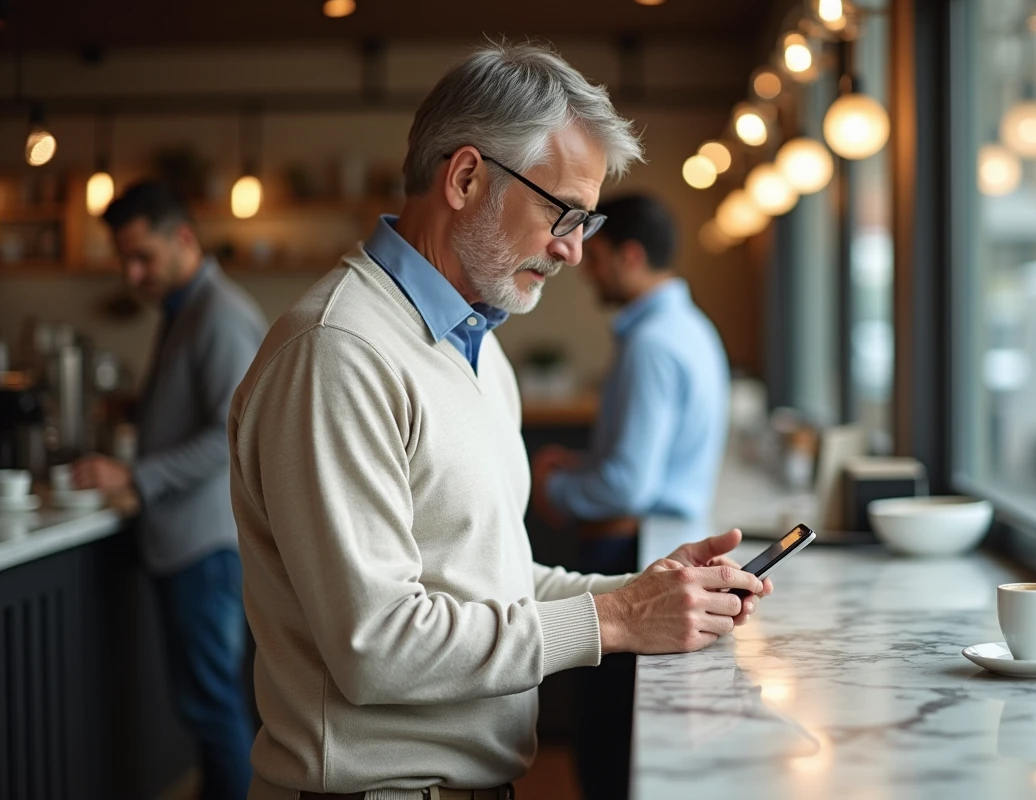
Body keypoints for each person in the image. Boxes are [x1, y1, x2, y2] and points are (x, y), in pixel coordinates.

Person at [229, 41, 771, 800]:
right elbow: (376, 645)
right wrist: (614, 620)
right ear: (466, 177)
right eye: (563, 213)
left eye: (588, 219)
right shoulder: (338, 353)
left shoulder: (477, 349)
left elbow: (493, 579)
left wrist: (645, 593)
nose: (575, 251)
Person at [530, 194, 730, 800]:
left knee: (606, 743)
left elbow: (628, 484)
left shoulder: (650, 344)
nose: (582, 264)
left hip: (629, 545)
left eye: (597, 255)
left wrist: (554, 485)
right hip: (657, 536)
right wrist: (586, 463)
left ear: (631, 256)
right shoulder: (688, 327)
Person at [72, 180, 265, 800]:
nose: (132, 273)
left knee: (213, 712)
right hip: (191, 543)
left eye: (142, 257)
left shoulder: (220, 315)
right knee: (208, 710)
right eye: (124, 260)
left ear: (183, 238)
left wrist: (135, 476)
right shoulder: (187, 308)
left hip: (204, 547)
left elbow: (230, 434)